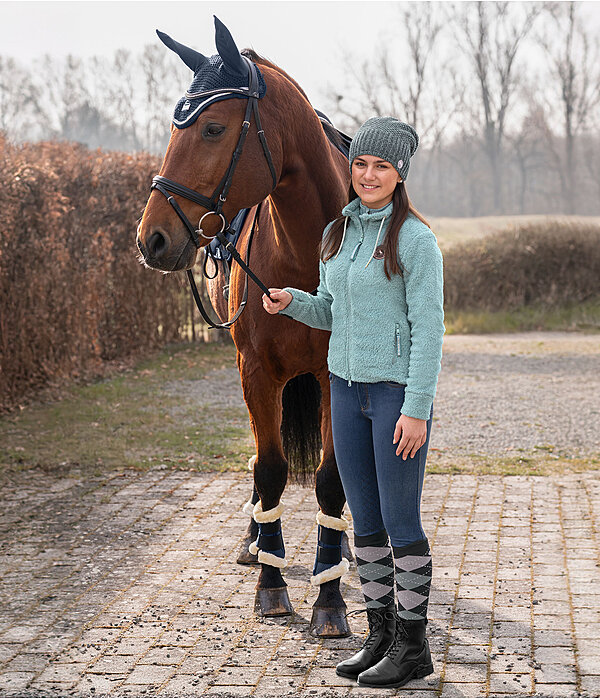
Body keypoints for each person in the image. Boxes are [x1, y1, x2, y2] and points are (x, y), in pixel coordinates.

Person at [262, 116, 444, 689]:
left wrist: (416, 408)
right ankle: (380, 634)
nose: (368, 175)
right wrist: (293, 301)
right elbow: (330, 312)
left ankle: (413, 647)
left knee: (399, 518)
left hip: (395, 398)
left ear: (399, 175)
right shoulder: (336, 234)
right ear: (350, 166)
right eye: (360, 163)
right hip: (344, 388)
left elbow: (430, 332)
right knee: (363, 520)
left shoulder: (416, 241)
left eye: (381, 166)